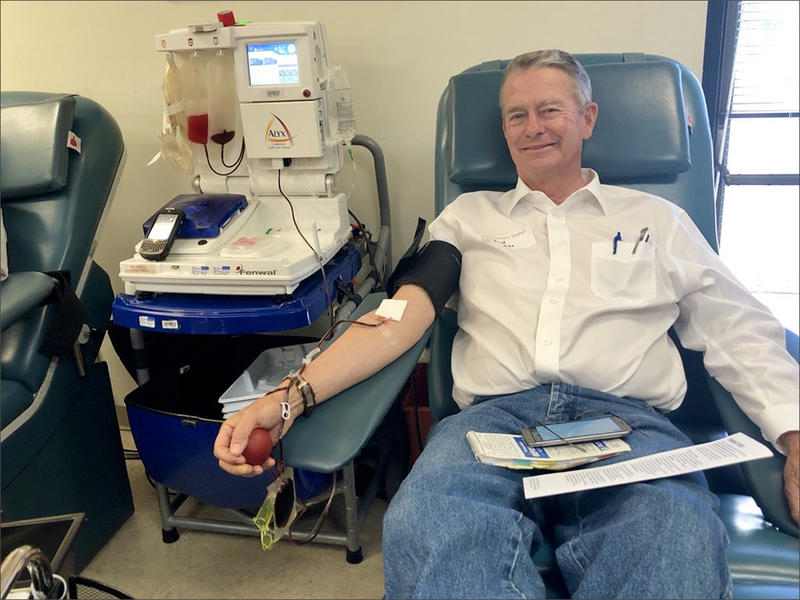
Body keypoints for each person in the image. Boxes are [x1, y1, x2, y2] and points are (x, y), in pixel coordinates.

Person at [214, 49, 799, 598]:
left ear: (587, 118)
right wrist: (287, 399)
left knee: (670, 536)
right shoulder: (467, 218)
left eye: (550, 109)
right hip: (491, 428)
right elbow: (396, 318)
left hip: (630, 428)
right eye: (516, 114)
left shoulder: (658, 222)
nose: (533, 125)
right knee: (430, 524)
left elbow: (737, 328)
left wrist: (795, 437)